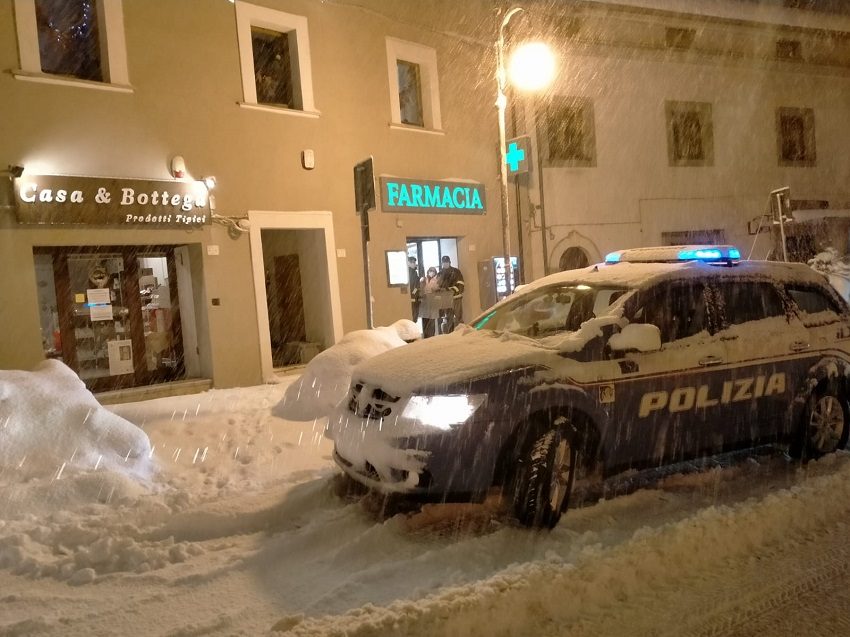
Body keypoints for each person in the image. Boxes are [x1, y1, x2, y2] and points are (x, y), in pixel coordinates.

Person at [436, 255, 465, 334]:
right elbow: (438, 287)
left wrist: (448, 290)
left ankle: (461, 333)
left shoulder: (456, 272)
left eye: (447, 262)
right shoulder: (440, 274)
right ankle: (450, 335)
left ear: (449, 262)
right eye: (444, 262)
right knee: (449, 318)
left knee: (459, 317)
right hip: (446, 300)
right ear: (442, 263)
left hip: (456, 298)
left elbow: (460, 285)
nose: (445, 264)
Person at [418, 267, 441, 337]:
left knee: (432, 321)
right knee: (425, 320)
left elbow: (438, 289)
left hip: (432, 302)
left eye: (433, 271)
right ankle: (426, 335)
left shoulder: (437, 280)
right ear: (428, 272)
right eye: (431, 271)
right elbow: (420, 289)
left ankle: (431, 336)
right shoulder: (423, 279)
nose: (432, 273)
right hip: (424, 303)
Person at [408, 256, 420, 321]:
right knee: (413, 316)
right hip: (412, 298)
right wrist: (413, 293)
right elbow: (415, 286)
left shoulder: (414, 272)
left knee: (414, 316)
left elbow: (416, 285)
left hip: (414, 298)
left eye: (414, 262)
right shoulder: (410, 272)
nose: (414, 263)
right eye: (412, 262)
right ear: (408, 263)